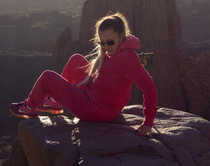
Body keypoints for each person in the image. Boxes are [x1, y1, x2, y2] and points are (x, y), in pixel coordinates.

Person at [10, 12, 157, 136]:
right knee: (76, 60)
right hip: (98, 101)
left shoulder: (127, 59)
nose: (106, 47)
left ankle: (28, 108)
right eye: (102, 43)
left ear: (121, 35)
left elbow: (150, 89)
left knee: (47, 76)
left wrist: (148, 123)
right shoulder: (120, 51)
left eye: (110, 42)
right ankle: (55, 103)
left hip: (95, 110)